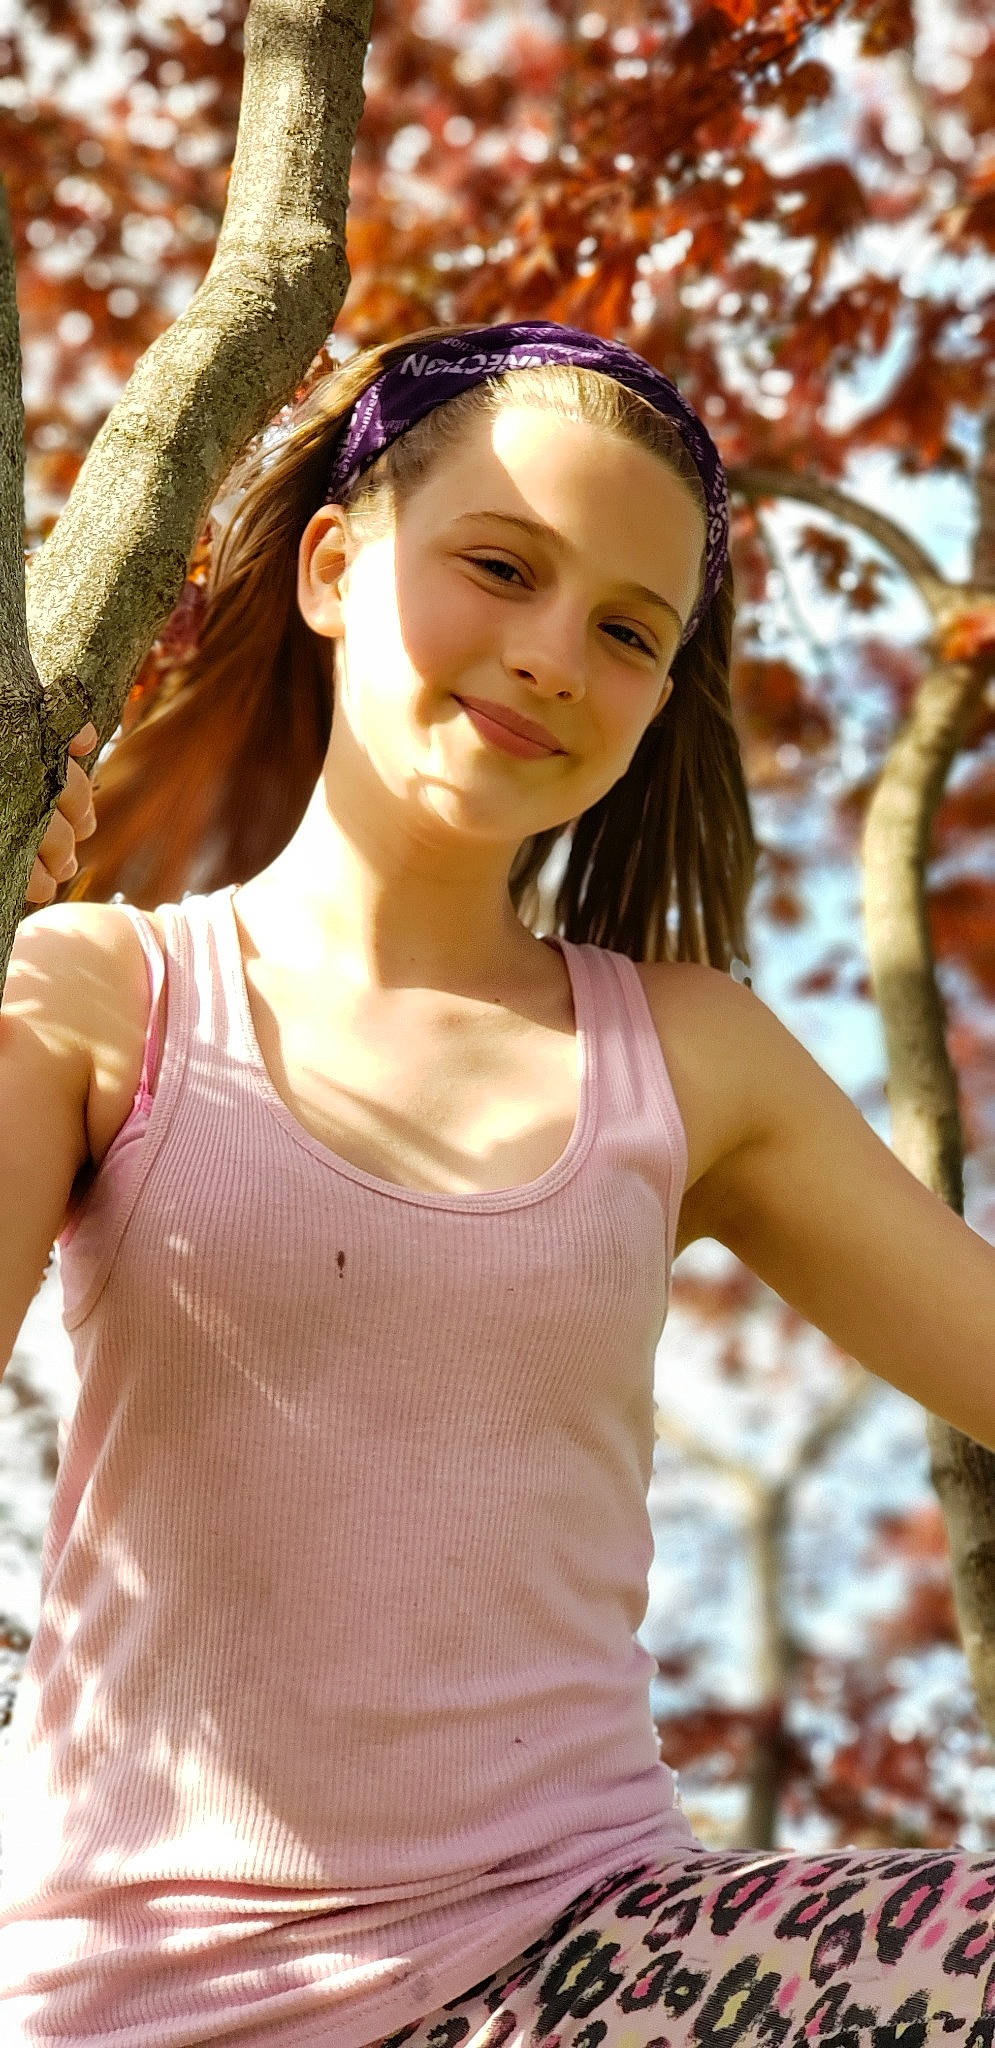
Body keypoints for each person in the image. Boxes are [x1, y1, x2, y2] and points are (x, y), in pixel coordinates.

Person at [2, 319, 993, 2048]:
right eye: (500, 566)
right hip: (139, 1994)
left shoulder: (692, 1054)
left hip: (585, 1951)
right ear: (331, 563)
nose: (552, 654)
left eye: (626, 632)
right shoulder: (103, 986)